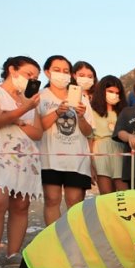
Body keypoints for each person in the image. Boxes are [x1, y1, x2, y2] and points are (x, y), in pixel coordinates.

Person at [0, 55, 44, 268]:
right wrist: (21, 113)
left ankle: (14, 252)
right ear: (12, 70)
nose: (32, 80)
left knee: (21, 205)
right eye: (28, 74)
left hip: (25, 156)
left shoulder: (30, 100)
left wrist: (15, 118)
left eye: (35, 77)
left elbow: (38, 132)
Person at [38, 54, 94, 226]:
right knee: (52, 199)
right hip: (49, 158)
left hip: (76, 159)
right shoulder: (41, 96)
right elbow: (38, 127)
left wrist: (82, 116)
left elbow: (88, 131)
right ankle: (53, 240)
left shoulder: (82, 98)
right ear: (47, 72)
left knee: (75, 202)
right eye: (57, 70)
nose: (62, 74)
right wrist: (56, 112)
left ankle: (74, 242)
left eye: (66, 71)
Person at [88, 75, 128, 195]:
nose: (114, 95)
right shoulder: (92, 111)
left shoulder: (123, 112)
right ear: (102, 92)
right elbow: (90, 139)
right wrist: (90, 164)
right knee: (106, 193)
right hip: (100, 151)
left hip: (119, 150)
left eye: (117, 92)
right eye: (110, 91)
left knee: (123, 192)